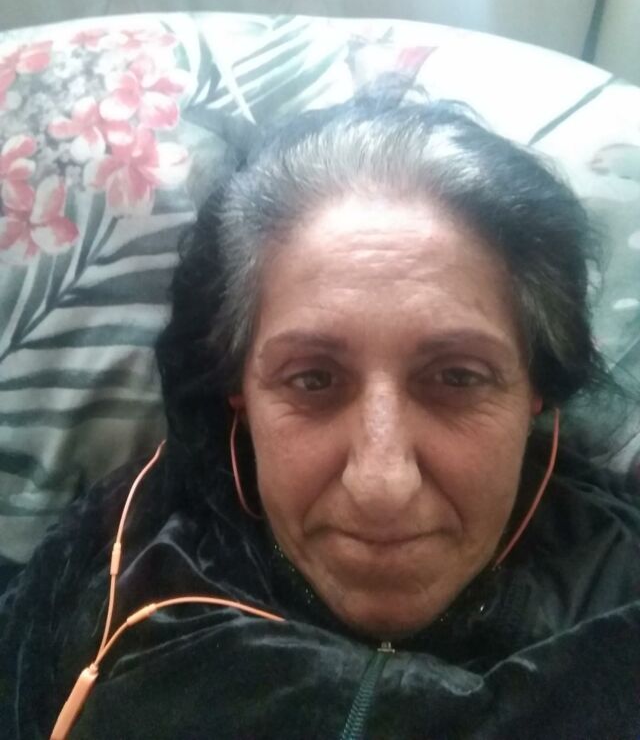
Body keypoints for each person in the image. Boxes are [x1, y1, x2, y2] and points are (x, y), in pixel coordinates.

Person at [1, 88, 639, 739]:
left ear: (536, 390)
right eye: (313, 379)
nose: (381, 487)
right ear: (239, 392)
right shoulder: (109, 583)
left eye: (457, 377)